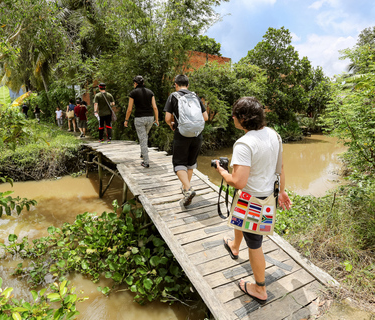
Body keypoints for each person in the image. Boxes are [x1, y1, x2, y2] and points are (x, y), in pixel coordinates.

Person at [214, 96, 292, 303]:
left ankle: (259, 288)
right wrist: (282, 191)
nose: (232, 118)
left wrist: (222, 172)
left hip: (252, 202)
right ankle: (234, 246)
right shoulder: (274, 135)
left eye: (234, 115)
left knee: (255, 244)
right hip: (267, 198)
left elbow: (238, 181)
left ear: (241, 118)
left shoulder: (244, 143)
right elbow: (280, 168)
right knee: (242, 224)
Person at [164, 74, 208, 206]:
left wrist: (172, 124)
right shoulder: (195, 97)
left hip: (181, 134)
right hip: (196, 134)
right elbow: (205, 117)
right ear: (188, 85)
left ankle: (188, 189)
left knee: (179, 163)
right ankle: (185, 189)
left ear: (176, 85)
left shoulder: (173, 96)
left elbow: (167, 118)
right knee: (190, 163)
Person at [125, 75, 159, 167]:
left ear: (135, 83)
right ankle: (142, 154)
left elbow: (129, 109)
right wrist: (157, 119)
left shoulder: (133, 93)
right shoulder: (150, 92)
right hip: (150, 118)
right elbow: (155, 107)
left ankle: (146, 162)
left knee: (143, 139)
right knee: (144, 137)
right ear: (143, 83)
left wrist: (126, 120)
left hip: (139, 118)